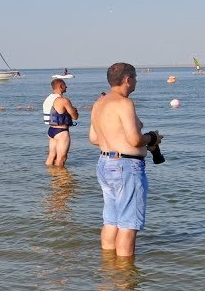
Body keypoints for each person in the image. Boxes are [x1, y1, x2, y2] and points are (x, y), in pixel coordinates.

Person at [88, 62, 162, 257]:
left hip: (104, 163)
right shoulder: (125, 103)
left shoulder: (98, 103)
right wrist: (153, 137)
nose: (136, 82)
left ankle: (109, 269)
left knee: (111, 221)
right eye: (135, 78)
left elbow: (94, 138)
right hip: (126, 166)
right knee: (128, 225)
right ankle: (125, 278)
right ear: (127, 80)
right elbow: (135, 139)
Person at [44, 78, 79, 167]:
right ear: (60, 86)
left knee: (51, 156)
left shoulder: (48, 98)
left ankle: (51, 177)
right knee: (62, 158)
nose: (66, 86)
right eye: (65, 85)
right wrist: (75, 110)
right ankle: (61, 179)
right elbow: (75, 117)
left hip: (51, 131)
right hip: (61, 132)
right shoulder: (63, 100)